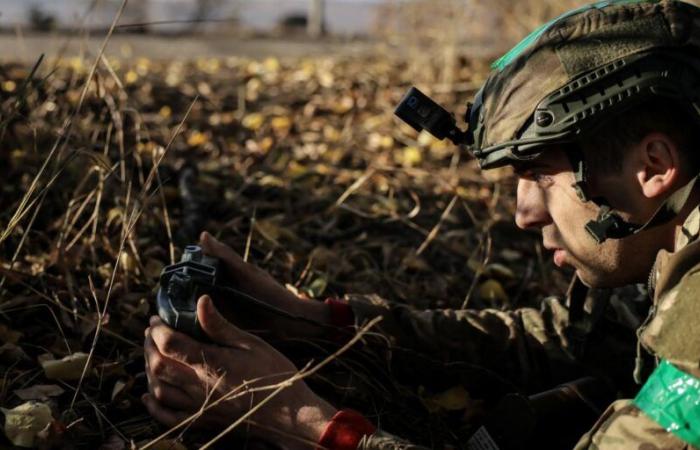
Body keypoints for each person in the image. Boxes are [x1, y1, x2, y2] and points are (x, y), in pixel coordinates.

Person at [143, 0, 700, 448]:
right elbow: (564, 340)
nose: (523, 214)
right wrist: (319, 322)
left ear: (653, 168)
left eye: (538, 175)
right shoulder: (672, 237)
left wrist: (299, 421)